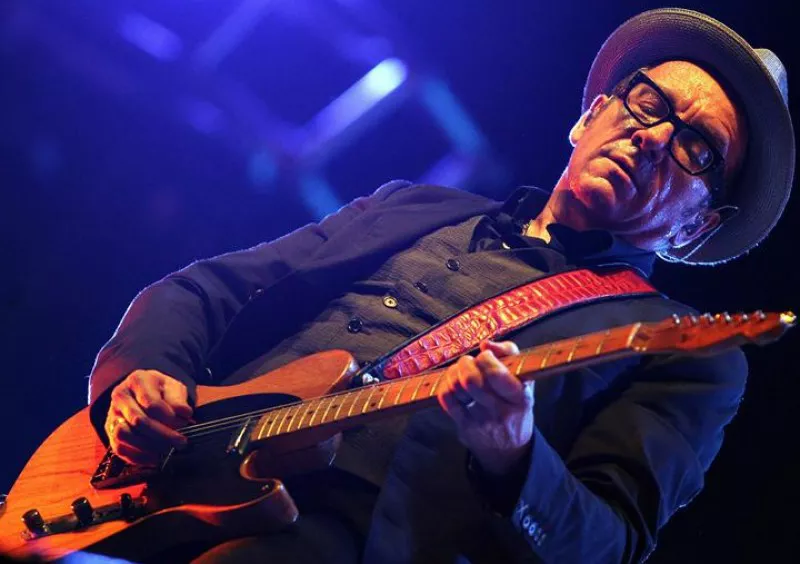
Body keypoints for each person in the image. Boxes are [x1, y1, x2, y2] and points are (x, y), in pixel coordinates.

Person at [86, 8, 794, 564]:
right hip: (169, 480)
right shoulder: (415, 204)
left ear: (697, 227)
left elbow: (604, 546)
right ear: (589, 116)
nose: (653, 137)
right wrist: (143, 377)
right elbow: (205, 290)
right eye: (646, 102)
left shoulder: (685, 352)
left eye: (696, 148)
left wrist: (513, 454)